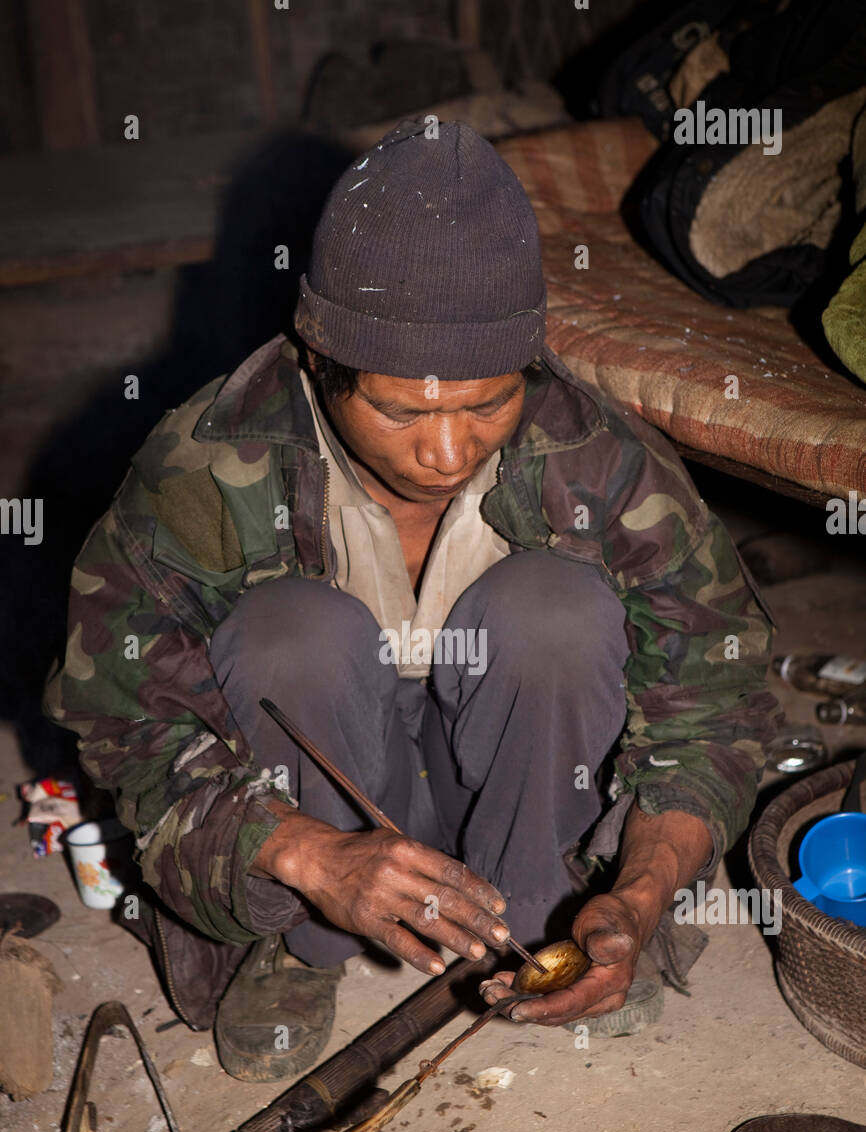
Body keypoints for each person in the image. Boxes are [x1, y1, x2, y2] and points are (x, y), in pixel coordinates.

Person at [44, 119, 782, 1082]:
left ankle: (545, 915)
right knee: (290, 637)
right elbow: (124, 728)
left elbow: (717, 704)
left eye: (487, 403)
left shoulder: (599, 459)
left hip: (512, 784)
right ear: (318, 362)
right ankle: (305, 947)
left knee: (556, 614)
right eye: (401, 411)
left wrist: (640, 893)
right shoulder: (207, 471)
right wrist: (307, 857)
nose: (447, 452)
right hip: (322, 795)